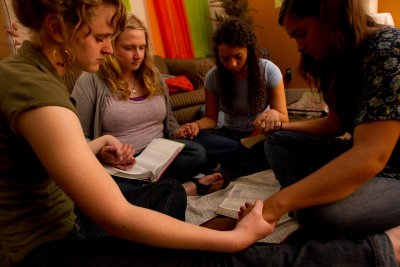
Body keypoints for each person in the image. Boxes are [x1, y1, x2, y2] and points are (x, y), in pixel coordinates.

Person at [1, 1, 399, 266]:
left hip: (74, 218)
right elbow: (117, 217)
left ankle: (211, 201)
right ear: (57, 28)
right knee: (220, 254)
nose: (108, 50)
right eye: (104, 38)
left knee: (174, 191)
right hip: (51, 244)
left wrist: (95, 145)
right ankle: (379, 250)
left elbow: (367, 151)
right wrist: (234, 239)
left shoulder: (36, 78)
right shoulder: (38, 87)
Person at [239, 0, 400, 248]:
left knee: (318, 215)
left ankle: (312, 208)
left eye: (301, 34)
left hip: (393, 171)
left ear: (332, 17)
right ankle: (312, 200)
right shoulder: (336, 59)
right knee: (277, 143)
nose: (299, 45)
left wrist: (276, 204)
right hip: (361, 154)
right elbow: (335, 125)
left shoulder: (387, 48)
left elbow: (371, 155)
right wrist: (282, 127)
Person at [71, 13, 229, 196]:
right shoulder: (91, 80)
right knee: (106, 189)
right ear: (112, 47)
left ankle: (156, 191)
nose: (138, 55)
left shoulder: (152, 74)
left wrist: (179, 132)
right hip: (122, 165)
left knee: (198, 153)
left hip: (161, 157)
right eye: (129, 48)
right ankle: (187, 188)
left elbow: (169, 122)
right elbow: (79, 138)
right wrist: (102, 153)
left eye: (142, 47)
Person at [175, 18, 289, 179]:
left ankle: (226, 167)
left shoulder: (269, 70)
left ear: (249, 50)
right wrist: (195, 125)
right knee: (198, 141)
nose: (232, 64)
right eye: (225, 58)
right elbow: (210, 119)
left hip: (257, 136)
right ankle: (246, 161)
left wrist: (274, 114)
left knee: (280, 141)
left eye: (238, 56)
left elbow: (284, 117)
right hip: (228, 134)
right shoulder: (213, 77)